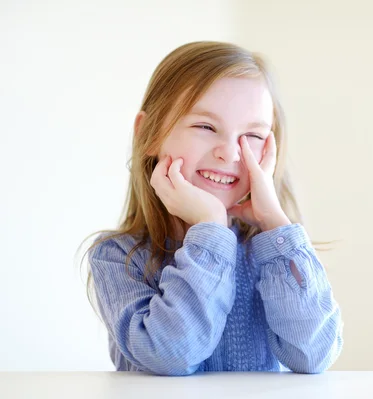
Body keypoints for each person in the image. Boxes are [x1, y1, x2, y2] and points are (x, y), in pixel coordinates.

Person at [84, 41, 344, 376]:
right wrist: (210, 229)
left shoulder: (274, 254)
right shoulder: (118, 257)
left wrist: (276, 224)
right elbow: (172, 354)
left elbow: (315, 355)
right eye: (206, 127)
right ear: (148, 134)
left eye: (252, 135)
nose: (231, 154)